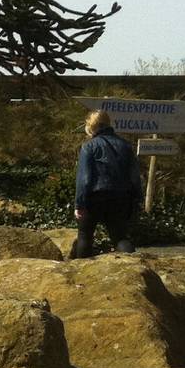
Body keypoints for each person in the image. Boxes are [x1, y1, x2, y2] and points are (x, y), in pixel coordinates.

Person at [72, 109, 141, 258]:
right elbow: (135, 176)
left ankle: (81, 275)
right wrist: (136, 199)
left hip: (94, 198)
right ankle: (135, 267)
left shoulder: (89, 146)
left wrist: (79, 205)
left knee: (85, 236)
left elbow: (84, 179)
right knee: (120, 237)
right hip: (121, 198)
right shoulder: (126, 145)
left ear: (90, 126)